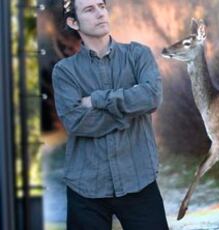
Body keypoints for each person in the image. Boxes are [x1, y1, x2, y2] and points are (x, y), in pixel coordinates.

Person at [52, 0, 168, 229]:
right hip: (86, 189)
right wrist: (129, 111)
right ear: (73, 22)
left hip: (139, 180)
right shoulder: (65, 72)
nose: (100, 13)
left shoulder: (138, 55)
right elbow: (76, 122)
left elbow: (152, 97)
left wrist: (97, 100)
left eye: (101, 6)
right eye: (89, 9)